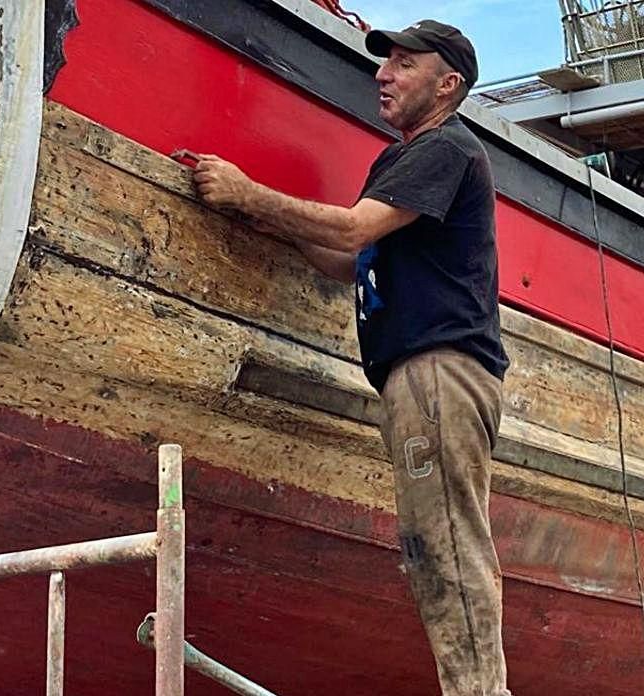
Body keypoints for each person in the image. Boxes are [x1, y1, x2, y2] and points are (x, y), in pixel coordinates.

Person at [189, 19, 511, 696]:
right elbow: (351, 259)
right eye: (385, 62)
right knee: (435, 547)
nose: (382, 74)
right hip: (422, 376)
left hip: (437, 372)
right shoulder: (412, 160)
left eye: (403, 63)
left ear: (448, 84)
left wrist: (251, 194)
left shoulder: (445, 148)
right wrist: (271, 222)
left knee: (447, 548)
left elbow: (356, 226)